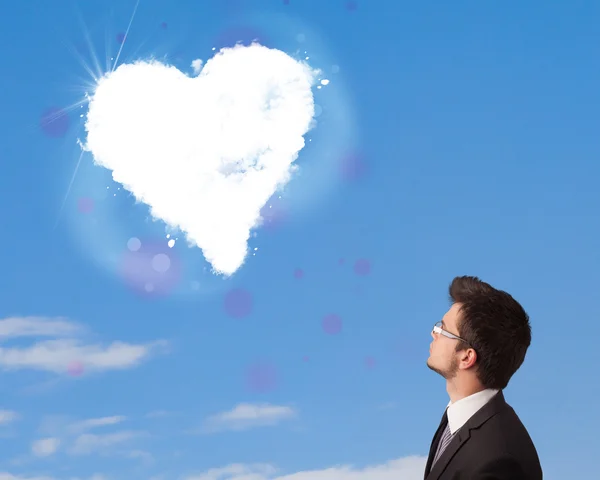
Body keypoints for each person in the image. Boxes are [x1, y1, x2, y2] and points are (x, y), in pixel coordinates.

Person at [424, 276, 542, 480]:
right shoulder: (459, 416)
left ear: (467, 357)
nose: (434, 333)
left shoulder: (497, 461)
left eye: (443, 329)